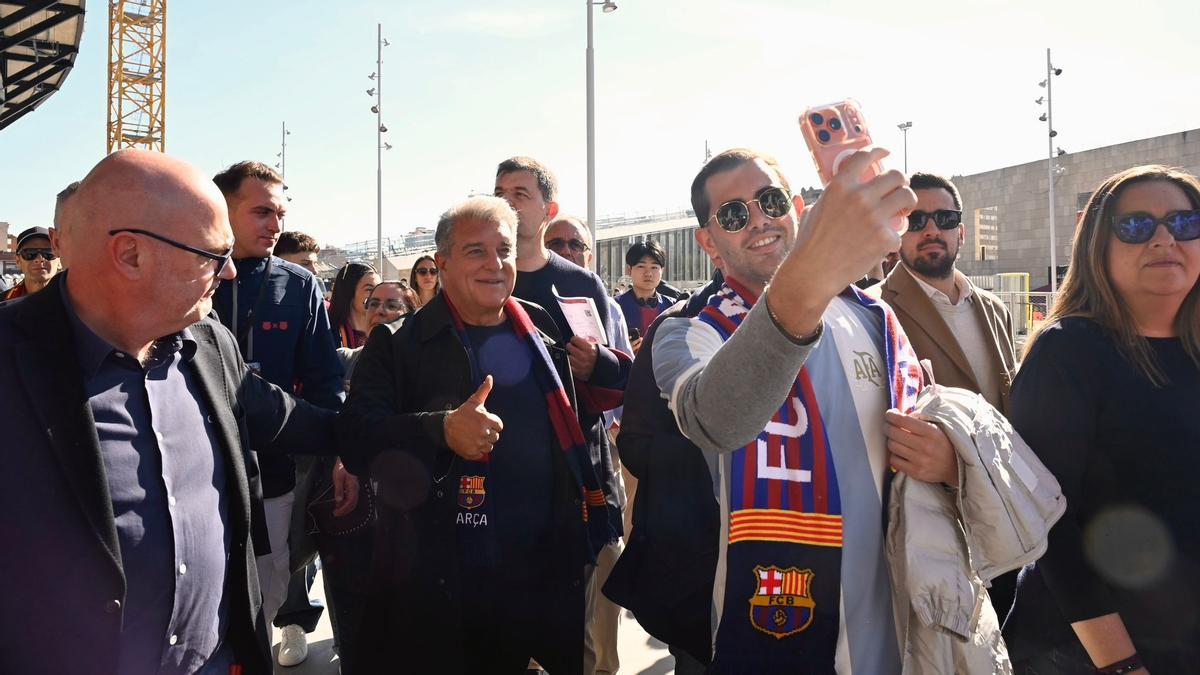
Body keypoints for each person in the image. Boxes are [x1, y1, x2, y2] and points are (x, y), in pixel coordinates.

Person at [0, 148, 339, 675]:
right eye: (211, 254)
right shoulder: (11, 361)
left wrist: (426, 432)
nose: (228, 273)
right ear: (131, 254)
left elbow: (296, 419)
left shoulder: (208, 346)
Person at [647, 147, 964, 671]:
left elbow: (929, 444)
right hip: (764, 621)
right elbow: (717, 418)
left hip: (889, 628)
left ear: (795, 205)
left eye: (770, 200)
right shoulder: (686, 331)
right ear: (708, 242)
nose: (759, 221)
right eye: (733, 214)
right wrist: (811, 273)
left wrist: (948, 462)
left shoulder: (874, 319)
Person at [339, 196, 611, 673]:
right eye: (475, 251)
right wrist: (440, 429)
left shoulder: (540, 324)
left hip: (547, 572)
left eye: (503, 250)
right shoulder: (398, 343)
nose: (495, 264)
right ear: (442, 264)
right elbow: (357, 437)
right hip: (446, 583)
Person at [1005, 165, 1200, 673]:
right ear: (1097, 245)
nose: (1164, 238)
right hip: (1088, 651)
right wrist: (1120, 663)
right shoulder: (1068, 350)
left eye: (1184, 223)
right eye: (1136, 226)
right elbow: (1051, 523)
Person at [211, 161, 348, 668]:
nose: (275, 224)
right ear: (222, 208)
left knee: (262, 602)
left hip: (273, 478)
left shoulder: (298, 285)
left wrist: (337, 453)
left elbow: (325, 382)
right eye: (262, 211)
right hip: (194, 477)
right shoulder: (188, 274)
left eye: (280, 213)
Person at [545, 213, 634, 675]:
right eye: (554, 242)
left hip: (604, 450)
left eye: (574, 243)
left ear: (590, 253)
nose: (565, 250)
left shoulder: (604, 304)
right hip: (547, 467)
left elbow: (628, 375)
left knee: (604, 564)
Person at [879, 172, 1017, 414]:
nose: (932, 230)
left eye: (945, 218)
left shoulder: (996, 310)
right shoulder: (876, 311)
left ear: (961, 233)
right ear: (896, 233)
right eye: (915, 220)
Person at [616, 240, 672, 348]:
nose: (648, 273)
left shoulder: (672, 306)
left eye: (654, 267)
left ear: (662, 270)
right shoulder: (615, 306)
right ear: (629, 269)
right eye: (641, 266)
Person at [329, 262, 382, 349]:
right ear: (348, 292)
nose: (377, 295)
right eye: (369, 289)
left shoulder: (384, 331)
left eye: (378, 288)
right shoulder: (329, 334)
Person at [2, 226, 61, 301]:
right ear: (18, 261)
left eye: (48, 253)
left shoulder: (76, 303)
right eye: (30, 253)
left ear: (60, 260)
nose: (39, 259)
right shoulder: (3, 303)